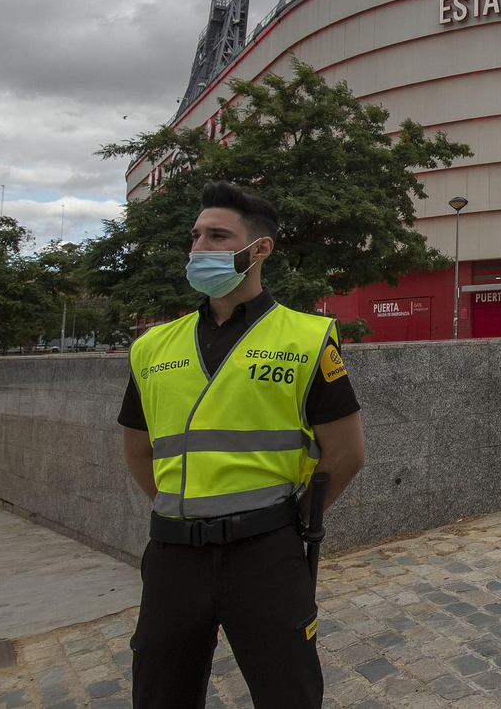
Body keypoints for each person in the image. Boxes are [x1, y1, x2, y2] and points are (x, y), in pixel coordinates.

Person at [118, 181, 366, 709]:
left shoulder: (308, 338)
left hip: (265, 552)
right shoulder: (151, 346)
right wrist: (183, 508)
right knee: (159, 694)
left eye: (216, 236)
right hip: (172, 555)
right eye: (196, 236)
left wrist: (286, 520)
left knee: (289, 694)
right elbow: (139, 450)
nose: (199, 248)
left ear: (260, 249)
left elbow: (345, 455)